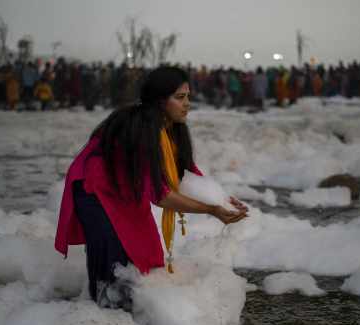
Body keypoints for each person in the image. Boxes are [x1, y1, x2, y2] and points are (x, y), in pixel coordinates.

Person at [55, 66, 248, 308]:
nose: (187, 103)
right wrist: (211, 210)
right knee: (112, 258)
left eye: (188, 96)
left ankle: (129, 312)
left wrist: (222, 200)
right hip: (93, 189)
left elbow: (184, 174)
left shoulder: (172, 127)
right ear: (159, 101)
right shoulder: (141, 128)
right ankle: (101, 315)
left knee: (142, 251)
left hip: (124, 187)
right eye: (180, 97)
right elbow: (160, 195)